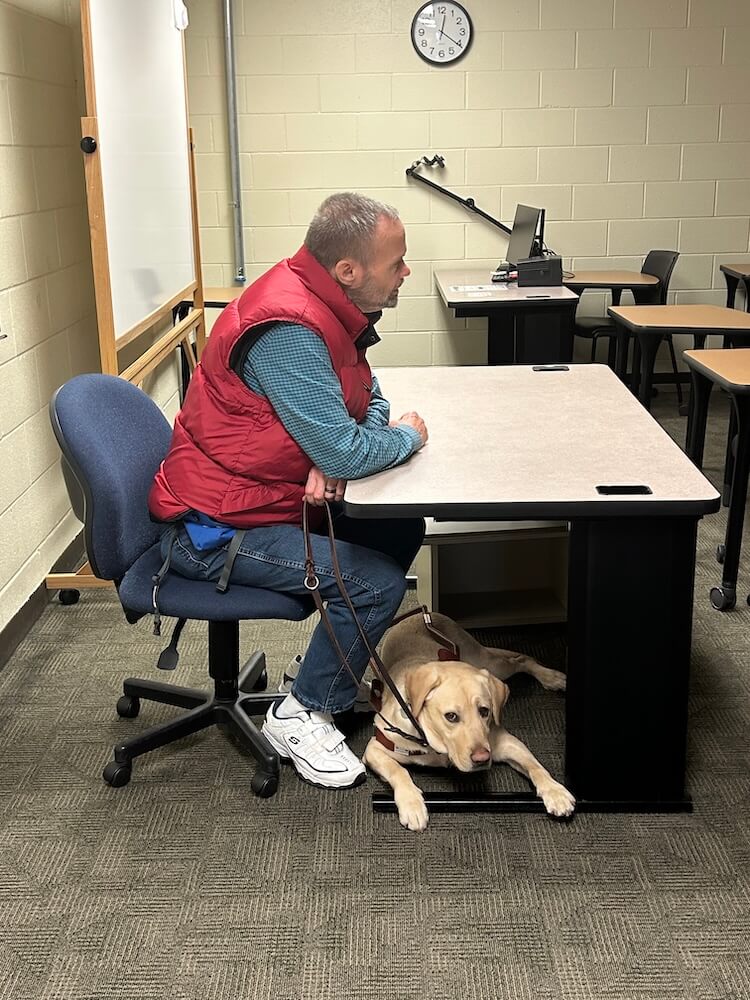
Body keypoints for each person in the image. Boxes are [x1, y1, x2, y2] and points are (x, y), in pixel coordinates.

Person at [148, 192, 428, 790]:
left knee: (401, 525)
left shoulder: (328, 304)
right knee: (373, 582)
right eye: (397, 262)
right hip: (210, 526)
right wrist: (398, 438)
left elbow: (366, 400)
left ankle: (326, 666)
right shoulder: (290, 327)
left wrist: (334, 454)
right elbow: (355, 441)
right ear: (348, 271)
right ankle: (300, 712)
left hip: (260, 496)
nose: (406, 271)